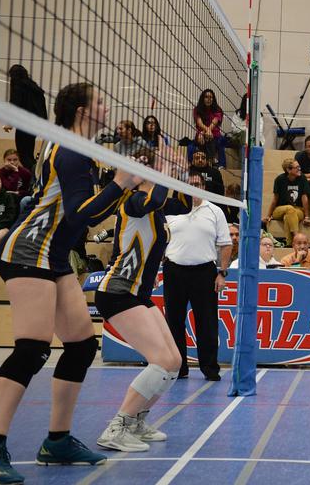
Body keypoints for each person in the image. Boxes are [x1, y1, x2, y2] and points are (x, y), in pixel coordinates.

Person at [0, 83, 141, 483]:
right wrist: (120, 184)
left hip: (54, 255)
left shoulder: (75, 146)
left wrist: (119, 183)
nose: (106, 105)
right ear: (82, 110)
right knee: (32, 348)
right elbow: (83, 217)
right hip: (30, 251)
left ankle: (57, 439)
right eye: (100, 101)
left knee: (81, 346)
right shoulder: (73, 150)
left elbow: (83, 213)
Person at [94, 148, 191, 452]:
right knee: (162, 360)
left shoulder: (155, 208)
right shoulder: (132, 203)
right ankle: (117, 426)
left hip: (138, 295)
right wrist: (165, 169)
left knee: (174, 361)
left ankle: (136, 421)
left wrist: (180, 171)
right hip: (118, 292)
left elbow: (185, 205)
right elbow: (155, 198)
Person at [163, 172, 233, 381]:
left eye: (196, 184)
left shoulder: (215, 210)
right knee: (174, 321)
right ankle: (179, 367)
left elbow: (226, 243)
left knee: (207, 322)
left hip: (204, 272)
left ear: (202, 186)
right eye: (189, 184)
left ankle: (210, 368)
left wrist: (221, 272)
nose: (192, 187)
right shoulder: (171, 209)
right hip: (174, 271)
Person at [4, 64, 47, 171]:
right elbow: (42, 106)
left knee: (24, 155)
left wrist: (10, 122)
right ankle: (36, 174)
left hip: (24, 123)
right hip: (36, 124)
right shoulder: (34, 87)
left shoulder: (18, 85)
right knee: (29, 155)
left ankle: (35, 177)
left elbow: (15, 104)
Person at [262, 158, 310, 246]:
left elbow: (305, 198)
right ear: (288, 170)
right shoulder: (279, 179)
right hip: (280, 209)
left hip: (298, 210)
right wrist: (268, 216)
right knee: (289, 208)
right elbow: (275, 199)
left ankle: (289, 244)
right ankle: (297, 237)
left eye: (299, 167)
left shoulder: (302, 178)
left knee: (287, 217)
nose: (299, 169)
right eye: (296, 167)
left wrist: (307, 216)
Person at [193, 88, 225, 167]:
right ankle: (206, 163)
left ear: (213, 99)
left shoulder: (218, 110)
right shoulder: (197, 110)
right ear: (202, 98)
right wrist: (203, 133)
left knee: (209, 138)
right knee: (204, 138)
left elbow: (214, 123)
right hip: (201, 134)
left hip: (215, 135)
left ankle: (209, 163)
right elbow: (199, 123)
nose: (208, 99)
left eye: (211, 97)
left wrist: (205, 132)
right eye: (206, 97)